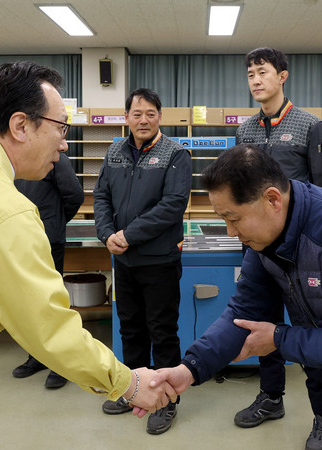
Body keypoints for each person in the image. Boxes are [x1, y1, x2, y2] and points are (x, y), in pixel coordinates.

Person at [0, 61, 176, 425]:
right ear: (20, 126)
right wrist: (127, 383)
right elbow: (50, 327)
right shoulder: (6, 212)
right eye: (60, 127)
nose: (64, 143)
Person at [151, 144, 322, 450]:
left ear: (272, 199)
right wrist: (189, 369)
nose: (230, 232)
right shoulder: (266, 239)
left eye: (234, 218)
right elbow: (242, 312)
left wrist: (278, 338)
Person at [235, 47, 322, 449]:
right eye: (250, 74)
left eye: (262, 72)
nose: (256, 80)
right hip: (258, 252)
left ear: (282, 76)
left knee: (310, 334)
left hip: (300, 254)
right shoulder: (245, 131)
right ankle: (271, 398)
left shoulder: (309, 126)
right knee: (261, 326)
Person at [93, 88, 192, 435]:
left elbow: (172, 205)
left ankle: (167, 401)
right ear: (127, 118)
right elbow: (101, 196)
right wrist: (107, 234)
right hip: (124, 262)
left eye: (151, 113)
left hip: (159, 261)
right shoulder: (114, 152)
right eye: (137, 114)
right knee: (130, 329)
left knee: (162, 332)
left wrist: (128, 235)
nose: (144, 120)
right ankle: (133, 390)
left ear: (159, 117)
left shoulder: (176, 154)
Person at [12, 152, 84, 389]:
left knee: (53, 301)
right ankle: (38, 357)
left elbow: (74, 195)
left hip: (48, 239)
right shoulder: (14, 156)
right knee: (29, 302)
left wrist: (56, 221)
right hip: (21, 239)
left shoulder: (55, 156)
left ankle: (61, 364)